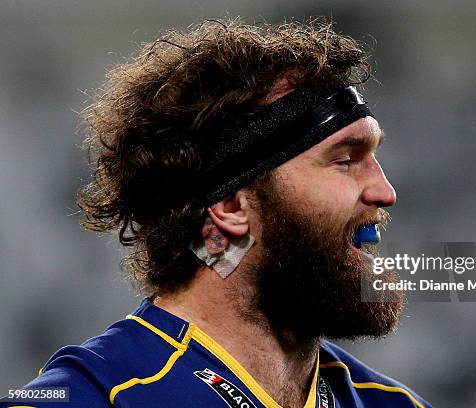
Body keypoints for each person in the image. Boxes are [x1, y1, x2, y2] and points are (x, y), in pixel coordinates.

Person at [1, 18, 432, 408]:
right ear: (230, 207)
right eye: (345, 159)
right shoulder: (90, 399)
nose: (385, 191)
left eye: (374, 156)